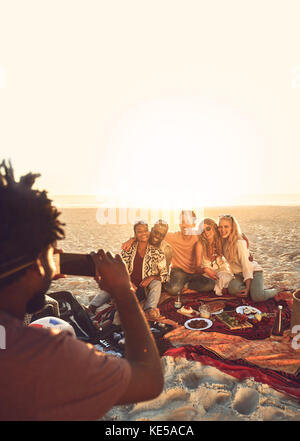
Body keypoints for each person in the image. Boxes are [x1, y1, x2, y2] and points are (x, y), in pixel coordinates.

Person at [0, 160, 163, 421]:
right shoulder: (42, 354)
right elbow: (149, 379)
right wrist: (123, 291)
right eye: (50, 253)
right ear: (35, 265)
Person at [89, 220, 169, 320]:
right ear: (135, 234)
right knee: (112, 279)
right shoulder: (128, 249)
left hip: (143, 288)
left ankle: (149, 309)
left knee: (156, 283)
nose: (143, 233)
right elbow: (119, 270)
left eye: (145, 230)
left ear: (149, 232)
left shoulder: (158, 252)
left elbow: (165, 276)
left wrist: (152, 277)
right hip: (127, 285)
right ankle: (92, 306)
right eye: (140, 231)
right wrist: (128, 282)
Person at [218, 214, 278, 302]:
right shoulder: (222, 241)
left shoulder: (239, 242)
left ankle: (277, 290)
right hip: (238, 275)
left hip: (253, 273)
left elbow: (247, 266)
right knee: (232, 289)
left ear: (232, 228)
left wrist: (247, 287)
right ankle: (254, 290)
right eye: (220, 227)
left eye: (226, 226)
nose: (223, 230)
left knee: (257, 297)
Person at [191, 218, 233, 296]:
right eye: (203, 231)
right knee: (209, 285)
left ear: (213, 227)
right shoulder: (199, 245)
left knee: (228, 280)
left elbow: (234, 236)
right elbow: (197, 269)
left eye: (208, 228)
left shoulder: (220, 241)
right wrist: (205, 269)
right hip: (206, 276)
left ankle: (218, 287)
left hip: (221, 272)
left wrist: (244, 238)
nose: (206, 232)